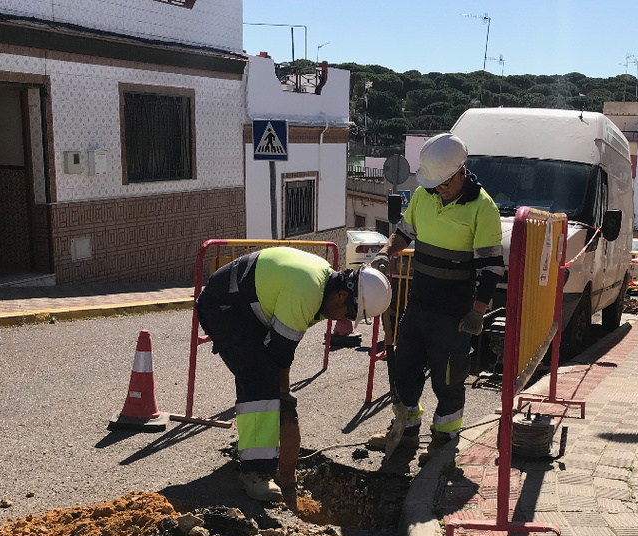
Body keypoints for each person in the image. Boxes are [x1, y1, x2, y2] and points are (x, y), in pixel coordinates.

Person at [196, 246, 391, 501]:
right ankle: (255, 471)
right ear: (342, 295)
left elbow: (281, 348)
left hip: (247, 307)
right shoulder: (307, 291)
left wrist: (284, 400)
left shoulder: (324, 287)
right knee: (260, 376)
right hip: (223, 307)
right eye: (350, 314)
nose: (344, 319)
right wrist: (286, 402)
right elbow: (280, 354)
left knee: (263, 374)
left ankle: (258, 453)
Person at [367, 133, 503, 459]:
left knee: (448, 378)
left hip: (454, 311)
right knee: (406, 369)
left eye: (444, 183)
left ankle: (444, 440)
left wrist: (477, 311)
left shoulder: (482, 208)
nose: (439, 189)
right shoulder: (422, 195)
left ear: (461, 171)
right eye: (435, 184)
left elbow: (491, 268)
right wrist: (387, 252)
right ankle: (407, 430)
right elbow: (403, 233)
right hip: (419, 303)